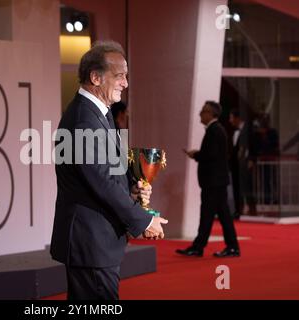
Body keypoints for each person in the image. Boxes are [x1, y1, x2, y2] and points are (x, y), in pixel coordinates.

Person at [50, 40, 168, 300]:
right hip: (90, 241)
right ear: (95, 77)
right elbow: (101, 182)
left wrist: (133, 188)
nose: (125, 83)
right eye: (120, 76)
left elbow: (108, 169)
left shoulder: (99, 113)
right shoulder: (84, 118)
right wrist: (143, 219)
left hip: (97, 240)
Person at [176, 101, 240, 258]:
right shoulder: (216, 130)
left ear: (212, 114)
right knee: (218, 215)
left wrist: (196, 154)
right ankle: (224, 246)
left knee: (210, 215)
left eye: (203, 111)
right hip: (216, 181)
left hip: (213, 182)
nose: (200, 113)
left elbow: (211, 155)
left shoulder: (214, 130)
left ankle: (202, 246)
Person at [228, 109, 256, 218]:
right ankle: (238, 211)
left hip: (245, 164)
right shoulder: (234, 132)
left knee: (247, 187)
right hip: (236, 165)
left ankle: (252, 209)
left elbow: (253, 146)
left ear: (237, 118)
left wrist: (252, 160)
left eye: (231, 118)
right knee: (236, 187)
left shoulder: (248, 130)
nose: (230, 120)